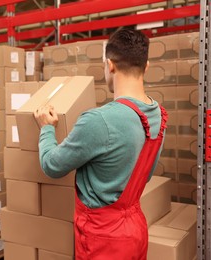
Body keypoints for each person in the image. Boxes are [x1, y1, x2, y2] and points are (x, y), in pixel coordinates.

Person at [34, 28, 168, 259]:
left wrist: (46, 128)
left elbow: (51, 166)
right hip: (135, 230)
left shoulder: (100, 120)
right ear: (146, 67)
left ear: (110, 65)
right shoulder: (159, 115)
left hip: (103, 237)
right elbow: (141, 175)